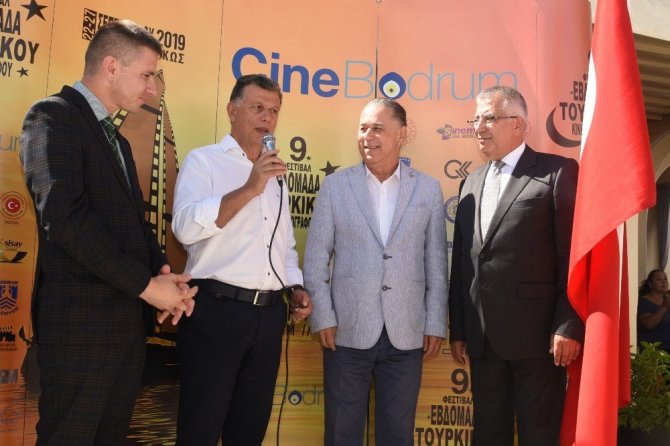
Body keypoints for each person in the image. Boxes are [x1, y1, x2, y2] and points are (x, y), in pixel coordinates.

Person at [20, 20, 197, 445]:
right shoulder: (52, 115)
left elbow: (135, 225)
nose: (152, 88)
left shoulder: (117, 141)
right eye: (147, 75)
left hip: (125, 333)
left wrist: (163, 275)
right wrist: (147, 287)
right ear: (112, 66)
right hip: (79, 334)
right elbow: (65, 219)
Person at [172, 73, 312, 446]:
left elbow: (284, 246)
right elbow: (184, 229)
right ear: (232, 111)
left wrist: (294, 286)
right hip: (216, 312)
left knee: (249, 431)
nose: (267, 117)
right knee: (200, 430)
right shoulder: (204, 161)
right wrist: (251, 187)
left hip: (268, 317)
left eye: (274, 110)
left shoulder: (277, 175)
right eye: (257, 108)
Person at [304, 98, 448, 445]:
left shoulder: (427, 188)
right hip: (345, 333)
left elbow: (436, 263)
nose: (367, 136)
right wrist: (323, 316)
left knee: (397, 436)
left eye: (378, 128)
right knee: (341, 434)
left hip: (407, 335)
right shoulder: (336, 187)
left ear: (402, 134)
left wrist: (434, 322)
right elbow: (315, 259)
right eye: (363, 128)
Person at [448, 85, 584, 445]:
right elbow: (464, 264)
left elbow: (572, 256)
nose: (479, 127)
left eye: (489, 118)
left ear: (519, 125)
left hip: (539, 340)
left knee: (539, 434)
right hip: (483, 338)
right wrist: (459, 328)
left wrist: (568, 324)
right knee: (488, 433)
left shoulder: (557, 172)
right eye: (475, 120)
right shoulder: (470, 182)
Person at [637, 269, 670, 351]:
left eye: (665, 279)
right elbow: (648, 324)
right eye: (658, 279)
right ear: (650, 284)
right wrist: (664, 306)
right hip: (654, 352)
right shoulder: (644, 302)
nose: (663, 282)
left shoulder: (667, 299)